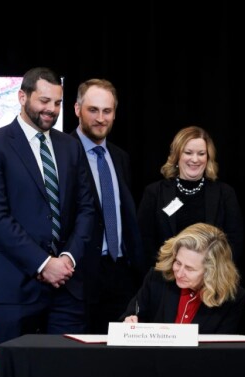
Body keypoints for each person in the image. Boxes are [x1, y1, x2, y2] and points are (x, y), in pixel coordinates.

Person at [0, 67, 97, 352]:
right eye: (43, 101)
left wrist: (67, 259)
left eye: (57, 102)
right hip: (14, 287)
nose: (51, 109)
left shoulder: (70, 147)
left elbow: (87, 209)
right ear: (22, 97)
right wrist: (43, 263)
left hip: (67, 287)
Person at [71, 78, 144, 333]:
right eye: (93, 110)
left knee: (117, 360)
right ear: (77, 109)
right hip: (80, 274)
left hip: (120, 272)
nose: (101, 118)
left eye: (107, 111)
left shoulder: (120, 156)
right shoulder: (63, 153)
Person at [137, 126, 242, 270]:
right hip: (166, 278)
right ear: (177, 155)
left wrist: (211, 273)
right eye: (188, 152)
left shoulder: (225, 193)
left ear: (208, 157)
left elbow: (234, 241)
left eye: (201, 153)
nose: (195, 159)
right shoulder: (155, 192)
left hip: (210, 280)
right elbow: (144, 241)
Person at [120, 223, 245, 334]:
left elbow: (225, 351)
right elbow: (128, 318)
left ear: (212, 272)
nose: (179, 273)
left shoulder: (232, 298)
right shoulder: (157, 278)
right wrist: (128, 324)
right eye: (178, 262)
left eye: (190, 269)